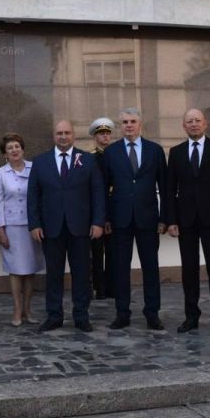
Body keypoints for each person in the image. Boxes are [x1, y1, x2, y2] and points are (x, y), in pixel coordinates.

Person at [27, 120, 105, 332]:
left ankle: (81, 315)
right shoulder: (40, 161)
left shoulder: (87, 160)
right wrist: (34, 224)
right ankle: (54, 315)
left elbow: (98, 193)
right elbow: (33, 195)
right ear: (54, 136)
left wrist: (98, 221)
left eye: (67, 133)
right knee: (53, 274)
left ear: (73, 135)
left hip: (80, 227)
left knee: (81, 273)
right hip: (51, 228)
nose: (63, 136)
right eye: (59, 133)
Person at [165, 109, 210, 335]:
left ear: (205, 124)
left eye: (197, 121)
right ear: (183, 126)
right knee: (189, 271)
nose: (194, 124)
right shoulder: (175, 153)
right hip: (186, 222)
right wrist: (171, 220)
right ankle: (191, 317)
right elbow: (169, 190)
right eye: (189, 122)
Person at [103, 107, 168, 331]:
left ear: (140, 124)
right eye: (124, 122)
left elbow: (165, 186)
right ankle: (122, 313)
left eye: (133, 121)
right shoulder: (111, 153)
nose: (129, 125)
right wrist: (105, 218)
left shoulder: (155, 150)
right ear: (120, 126)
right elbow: (103, 188)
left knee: (151, 266)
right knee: (120, 268)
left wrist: (165, 218)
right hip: (120, 219)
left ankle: (152, 313)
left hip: (148, 218)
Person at [0, 132, 43, 326]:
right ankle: (16, 310)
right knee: (15, 270)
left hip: (31, 226)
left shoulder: (35, 168)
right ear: (5, 153)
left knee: (30, 270)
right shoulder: (0, 173)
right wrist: (1, 230)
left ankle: (28, 310)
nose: (14, 150)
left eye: (17, 146)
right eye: (10, 148)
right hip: (12, 227)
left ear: (22, 149)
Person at [88, 117, 116, 300]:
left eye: (107, 133)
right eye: (101, 134)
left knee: (114, 252)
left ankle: (113, 287)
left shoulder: (116, 155)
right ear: (95, 137)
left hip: (116, 211)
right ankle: (99, 288)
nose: (105, 137)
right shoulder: (91, 158)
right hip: (97, 212)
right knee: (97, 253)